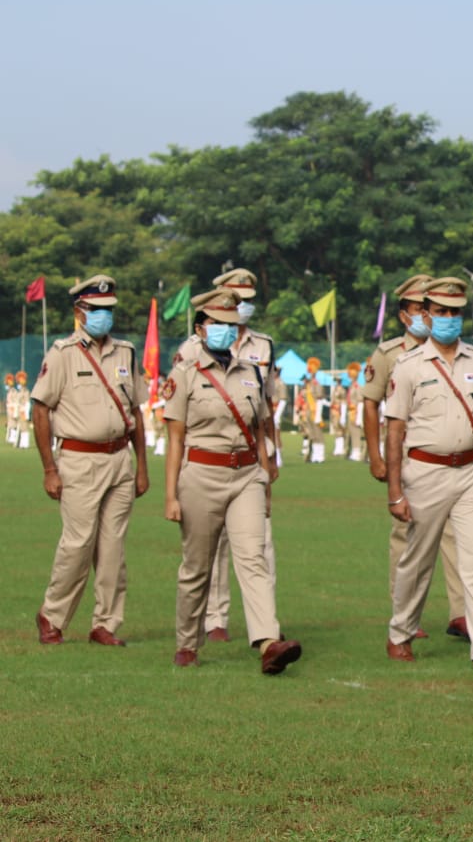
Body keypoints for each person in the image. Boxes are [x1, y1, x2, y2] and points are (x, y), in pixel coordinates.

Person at [163, 287, 301, 674]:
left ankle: (268, 642)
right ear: (201, 328)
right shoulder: (184, 375)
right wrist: (170, 495)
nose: (226, 330)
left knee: (253, 558)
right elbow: (174, 439)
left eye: (231, 324)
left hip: (246, 475)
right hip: (201, 474)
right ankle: (187, 642)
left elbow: (259, 432)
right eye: (218, 324)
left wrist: (265, 481)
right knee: (197, 565)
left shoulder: (252, 373)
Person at [383, 276, 473, 670]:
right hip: (425, 471)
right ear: (426, 315)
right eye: (441, 312)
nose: (449, 319)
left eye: (455, 312)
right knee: (418, 559)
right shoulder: (408, 365)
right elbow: (395, 432)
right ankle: (400, 631)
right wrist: (394, 491)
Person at [31, 275, 148, 646]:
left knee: (113, 547)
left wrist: (142, 466)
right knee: (78, 543)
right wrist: (50, 468)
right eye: (96, 310)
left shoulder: (126, 352)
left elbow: (137, 413)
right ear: (79, 311)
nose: (103, 316)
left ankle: (106, 624)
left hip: (119, 460)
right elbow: (40, 411)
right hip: (79, 460)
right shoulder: (62, 354)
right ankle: (52, 615)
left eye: (108, 310)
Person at [173, 267, 279, 643]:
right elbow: (177, 425)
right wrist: (172, 490)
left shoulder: (261, 348)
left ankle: (267, 636)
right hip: (204, 467)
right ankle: (208, 623)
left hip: (249, 464)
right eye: (235, 298)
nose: (241, 308)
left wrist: (271, 459)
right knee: (204, 557)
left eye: (246, 301)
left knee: (256, 550)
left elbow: (265, 410)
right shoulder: (188, 353)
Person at [364, 274, 469, 642]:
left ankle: (461, 614)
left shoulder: (454, 350)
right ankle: (406, 616)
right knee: (407, 537)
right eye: (418, 308)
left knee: (455, 536)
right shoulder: (391, 353)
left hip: (449, 459)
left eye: (431, 307)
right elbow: (371, 402)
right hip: (408, 458)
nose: (427, 316)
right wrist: (376, 457)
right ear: (405, 315)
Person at [343, 362, 366, 461]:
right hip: (350, 411)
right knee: (351, 432)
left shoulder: (358, 387)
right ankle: (353, 451)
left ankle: (357, 452)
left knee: (356, 432)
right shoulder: (351, 386)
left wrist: (359, 416)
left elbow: (360, 401)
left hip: (355, 412)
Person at [12, 370, 33, 449]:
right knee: (20, 427)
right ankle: (21, 443)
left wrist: (26, 413)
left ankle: (25, 443)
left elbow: (27, 403)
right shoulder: (20, 391)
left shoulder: (26, 391)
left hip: (23, 411)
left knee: (25, 428)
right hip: (20, 411)